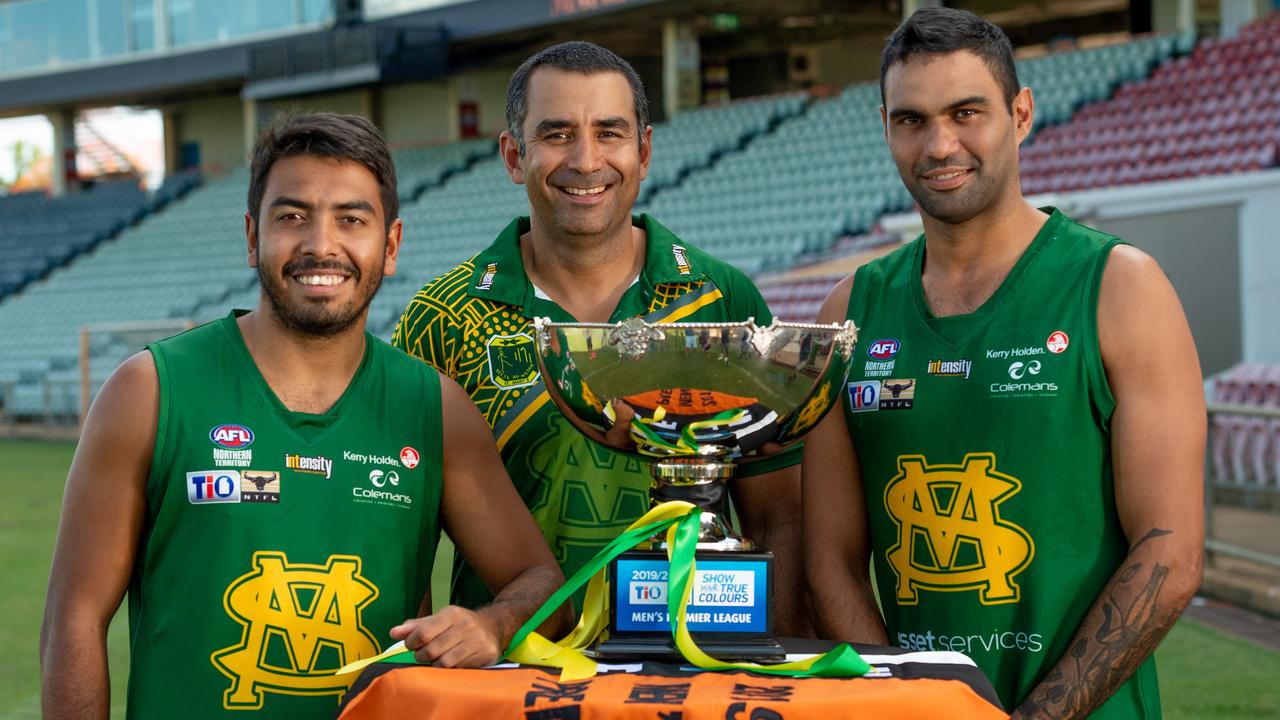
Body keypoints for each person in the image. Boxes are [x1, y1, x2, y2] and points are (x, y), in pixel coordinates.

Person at [40, 113, 568, 720]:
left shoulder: (435, 409)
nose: (321, 245)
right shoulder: (149, 391)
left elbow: (543, 584)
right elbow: (73, 620)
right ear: (250, 236)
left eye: (351, 219)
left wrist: (493, 624)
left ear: (390, 245)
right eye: (292, 217)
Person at [803, 8, 1204, 718]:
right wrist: (903, 705)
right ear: (886, 127)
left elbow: (1168, 555)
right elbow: (829, 561)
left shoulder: (1119, 287)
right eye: (912, 120)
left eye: (966, 112)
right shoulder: (849, 312)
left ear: (1020, 113)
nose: (940, 144)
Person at [392, 41, 809, 634]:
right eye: (557, 134)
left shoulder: (723, 301)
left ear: (643, 151)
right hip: (514, 681)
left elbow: (781, 520)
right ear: (514, 156)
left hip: (693, 674)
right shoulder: (440, 317)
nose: (586, 160)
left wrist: (776, 675)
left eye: (609, 133)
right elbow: (404, 538)